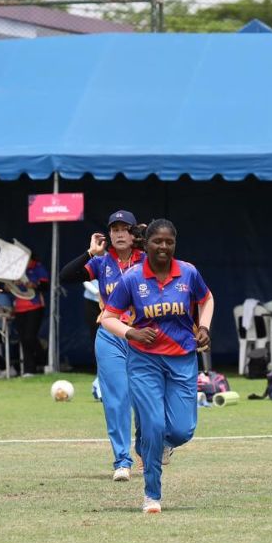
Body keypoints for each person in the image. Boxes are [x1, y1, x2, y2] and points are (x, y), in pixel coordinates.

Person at [101, 219, 213, 514]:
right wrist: (131, 332)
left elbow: (207, 299)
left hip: (182, 358)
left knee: (182, 429)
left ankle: (152, 442)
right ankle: (152, 495)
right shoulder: (132, 278)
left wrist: (204, 327)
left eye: (169, 242)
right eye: (157, 242)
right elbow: (108, 317)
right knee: (153, 425)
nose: (163, 247)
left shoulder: (188, 272)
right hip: (144, 360)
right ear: (146, 244)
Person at [59, 209, 145, 481]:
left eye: (124, 229)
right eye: (114, 229)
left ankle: (146, 449)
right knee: (116, 399)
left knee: (145, 398)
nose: (119, 233)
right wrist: (90, 253)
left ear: (133, 234)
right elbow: (66, 276)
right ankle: (122, 460)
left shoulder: (147, 260)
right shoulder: (101, 262)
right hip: (110, 336)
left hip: (143, 336)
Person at [9, 251, 49, 376]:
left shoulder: (38, 267)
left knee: (29, 337)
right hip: (19, 307)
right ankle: (29, 370)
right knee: (23, 339)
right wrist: (7, 286)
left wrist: (34, 285)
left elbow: (45, 286)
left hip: (35, 306)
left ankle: (44, 360)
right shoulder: (15, 268)